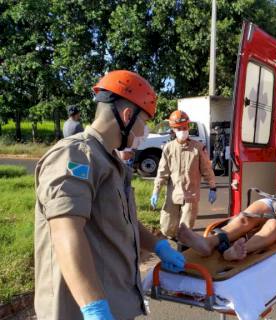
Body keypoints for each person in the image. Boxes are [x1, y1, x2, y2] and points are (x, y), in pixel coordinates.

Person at [34, 70, 185, 320]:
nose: (145, 131)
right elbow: (65, 231)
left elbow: (121, 219)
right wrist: (94, 309)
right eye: (144, 122)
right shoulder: (75, 155)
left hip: (115, 302)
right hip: (78, 311)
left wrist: (158, 246)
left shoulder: (109, 160)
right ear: (127, 116)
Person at [150, 110, 217, 239]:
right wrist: (156, 191)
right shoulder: (168, 148)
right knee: (167, 227)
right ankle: (173, 240)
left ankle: (183, 249)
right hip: (173, 193)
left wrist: (212, 187)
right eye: (179, 128)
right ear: (174, 130)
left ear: (188, 128)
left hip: (191, 194)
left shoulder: (198, 148)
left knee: (185, 229)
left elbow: (207, 169)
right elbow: (162, 172)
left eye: (185, 128)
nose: (183, 131)